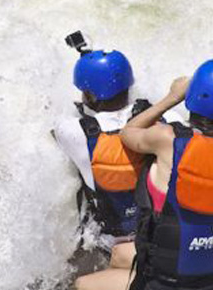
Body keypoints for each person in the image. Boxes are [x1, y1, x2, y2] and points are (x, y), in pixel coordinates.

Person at [73, 59, 213, 290]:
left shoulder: (169, 141)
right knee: (120, 254)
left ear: (194, 97)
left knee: (82, 288)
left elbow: (129, 133)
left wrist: (173, 97)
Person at [54, 46, 167, 248]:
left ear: (89, 95)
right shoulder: (166, 121)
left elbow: (52, 131)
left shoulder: (72, 131)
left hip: (108, 242)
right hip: (157, 235)